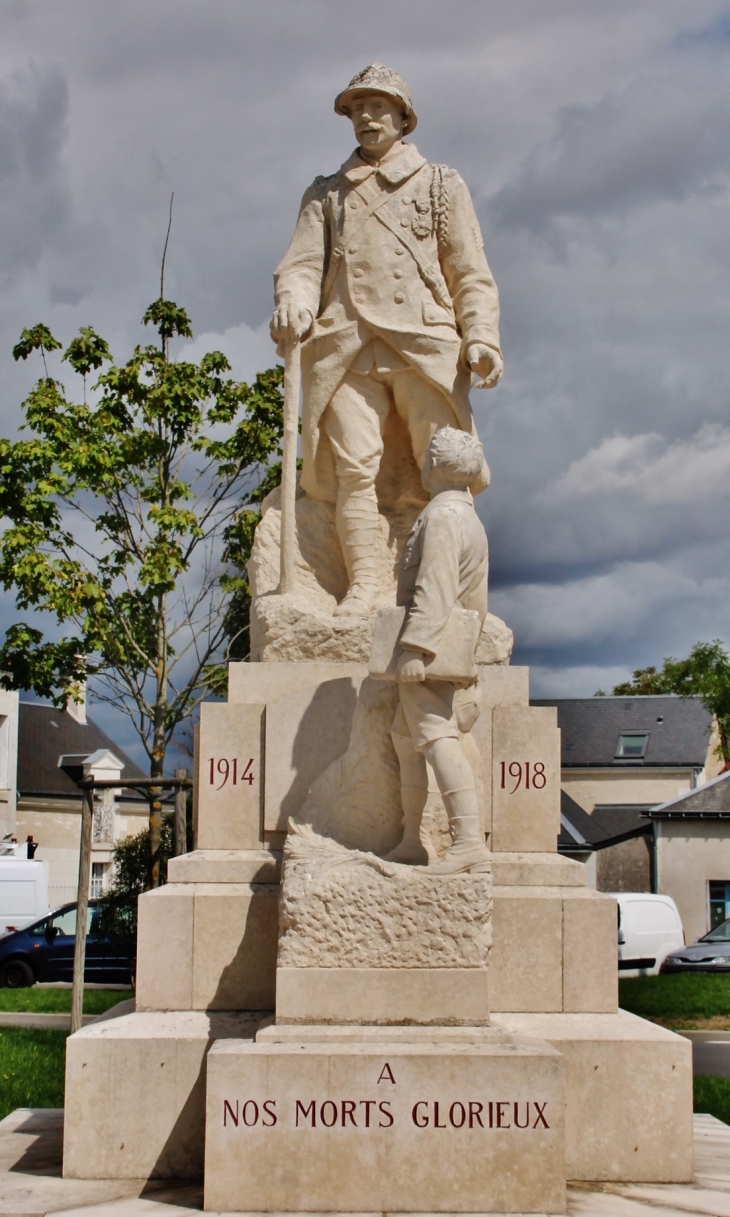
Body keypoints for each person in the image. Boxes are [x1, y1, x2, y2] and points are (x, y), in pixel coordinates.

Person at [271, 63, 502, 618]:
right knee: (354, 472)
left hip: (424, 341)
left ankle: (437, 591)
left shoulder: (442, 184)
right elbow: (300, 265)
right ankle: (364, 588)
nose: (366, 117)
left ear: (403, 116)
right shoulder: (325, 193)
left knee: (443, 470)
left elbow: (468, 270)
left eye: (378, 107)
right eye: (357, 109)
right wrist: (294, 301)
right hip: (345, 343)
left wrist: (482, 335)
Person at [388, 427, 490, 874]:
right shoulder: (459, 512)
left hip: (431, 656)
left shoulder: (446, 516)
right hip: (441, 652)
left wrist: (415, 649)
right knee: (405, 737)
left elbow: (436, 586)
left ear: (434, 467)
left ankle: (468, 843)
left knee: (436, 739)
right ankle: (413, 839)